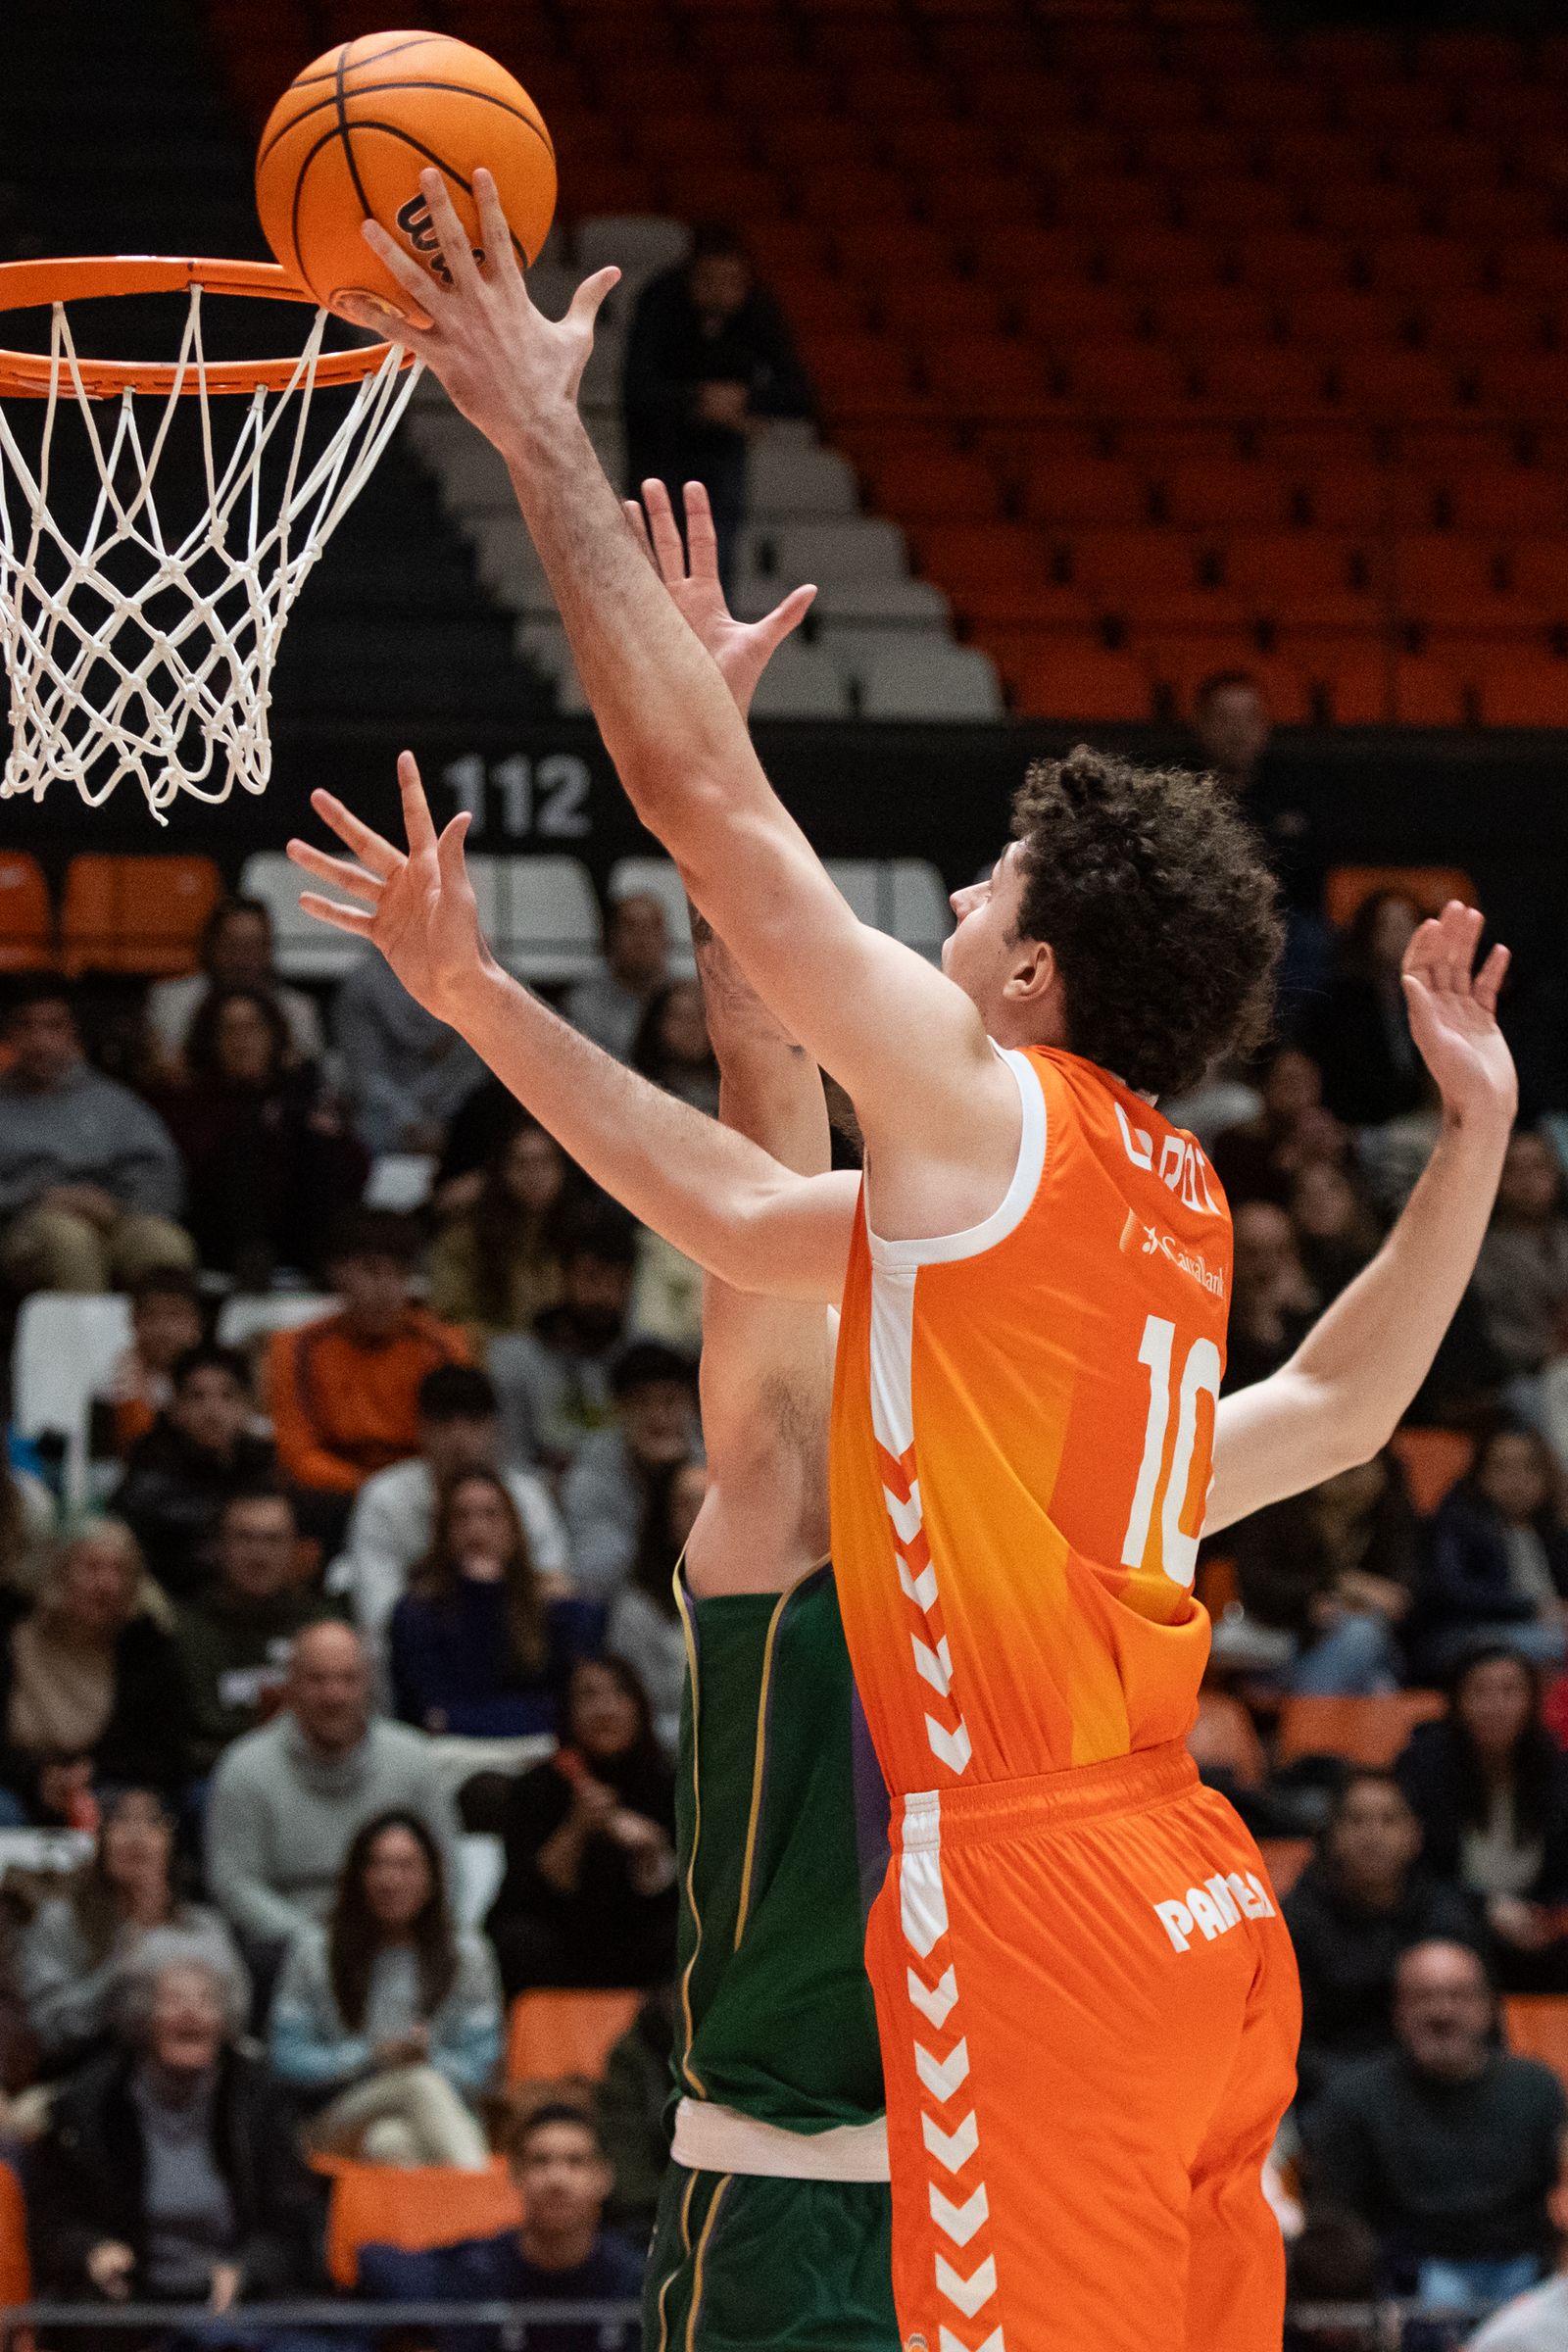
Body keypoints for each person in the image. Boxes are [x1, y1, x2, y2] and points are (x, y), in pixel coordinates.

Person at [296, 190, 1520, 2345]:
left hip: (1031, 1889)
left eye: (986, 883)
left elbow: (699, 804)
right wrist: (1478, 1135)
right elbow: (1320, 1408)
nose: (952, 893)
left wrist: (530, 434)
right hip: (1194, 1894)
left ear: (1032, 969)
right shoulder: (1154, 1201)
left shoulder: (983, 1106)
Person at [25, 1949, 318, 2317]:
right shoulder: (88, 2106)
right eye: (174, 2000)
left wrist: (249, 2269)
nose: (190, 2012)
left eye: (206, 2001)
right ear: (142, 2020)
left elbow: (293, 2221)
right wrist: (90, 2250)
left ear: (225, 2023)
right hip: (129, 2306)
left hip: (237, 2306)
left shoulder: (260, 2101)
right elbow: (52, 2218)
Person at [1302, 1940, 1566, 2312]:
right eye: (1423, 1997)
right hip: (1406, 2279)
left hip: (1523, 2274)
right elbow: (1335, 2215)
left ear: (1489, 2007)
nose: (1442, 2012)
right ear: (1398, 2009)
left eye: (1459, 1996)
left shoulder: (1537, 2089)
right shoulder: (1354, 2099)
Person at [203, 1621, 458, 1977]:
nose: (334, 1695)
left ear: (368, 1684)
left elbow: (446, 1867)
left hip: (398, 1935)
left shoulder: (414, 1760)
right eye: (317, 1679)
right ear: (289, 1685)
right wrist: (316, 1941)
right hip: (289, 1946)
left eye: (348, 1679)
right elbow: (234, 1884)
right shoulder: (245, 1767)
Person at [269, 1810, 501, 2168]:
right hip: (338, 2114)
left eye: (406, 1866)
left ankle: (462, 2214)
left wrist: (431, 2056)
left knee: (391, 2144)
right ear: (357, 1876)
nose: (390, 1880)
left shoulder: (468, 1954)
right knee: (417, 2082)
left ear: (431, 1878)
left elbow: (483, 2070)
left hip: (434, 2115)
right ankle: (485, 2195)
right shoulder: (314, 1950)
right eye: (377, 1865)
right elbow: (286, 2057)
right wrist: (369, 2055)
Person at [357, 2100, 644, 2352]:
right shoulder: (476, 2270)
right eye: (540, 2162)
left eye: (575, 2162)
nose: (557, 2179)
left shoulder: (638, 2280)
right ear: (515, 2175)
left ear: (603, 2178)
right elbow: (376, 2263)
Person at [333, 1363, 569, 1664]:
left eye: (473, 1421)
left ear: (495, 1428)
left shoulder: (527, 1497)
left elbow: (554, 1594)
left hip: (514, 1658)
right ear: (421, 1429)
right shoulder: (385, 1498)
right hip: (418, 1660)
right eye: (444, 1421)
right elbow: (380, 1615)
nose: (459, 1436)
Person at [622, 222, 812, 591]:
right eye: (710, 280)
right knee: (654, 567)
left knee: (716, 563)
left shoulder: (757, 306)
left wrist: (743, 400)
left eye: (732, 282)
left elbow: (799, 394)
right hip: (659, 452)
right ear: (691, 275)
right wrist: (700, 400)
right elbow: (637, 390)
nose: (720, 293)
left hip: (721, 457)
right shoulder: (660, 300)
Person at [1283, 1771, 1481, 2112]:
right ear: (1332, 1835)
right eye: (1357, 1821)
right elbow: (1286, 2041)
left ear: (1414, 1834)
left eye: (1389, 1820)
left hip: (1436, 2089)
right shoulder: (1296, 1919)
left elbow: (1481, 2022)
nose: (1372, 1836)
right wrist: (1366, 2092)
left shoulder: (1447, 1915)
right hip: (1328, 2096)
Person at [19, 1787, 245, 2081]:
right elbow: (50, 2028)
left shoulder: (204, 1926)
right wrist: (124, 1955)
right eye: (121, 1821)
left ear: (171, 1843)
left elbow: (237, 2015)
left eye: (152, 1822)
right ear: (100, 1839)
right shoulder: (59, 1922)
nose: (136, 1835)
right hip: (87, 2078)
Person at [485, 1656, 676, 1998]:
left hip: (642, 1949)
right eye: (588, 1696)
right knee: (519, 1939)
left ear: (639, 1706)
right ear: (568, 1711)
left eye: (619, 1693)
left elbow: (679, 1898)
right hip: (562, 1949)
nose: (605, 1709)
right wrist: (577, 1827)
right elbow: (525, 1895)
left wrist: (652, 1848)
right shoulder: (537, 1788)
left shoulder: (671, 1786)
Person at [154, 985, 366, 1287]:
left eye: (252, 1028)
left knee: (313, 1138)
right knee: (244, 1139)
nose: (242, 1041)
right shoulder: (189, 1101)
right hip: (218, 1232)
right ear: (211, 1040)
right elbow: (188, 1167)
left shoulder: (302, 1095)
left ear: (273, 1035)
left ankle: (324, 1259)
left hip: (298, 1225)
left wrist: (310, 1128)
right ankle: (253, 1256)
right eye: (230, 1030)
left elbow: (357, 1166)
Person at [266, 1210, 467, 1525]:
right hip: (335, 1495)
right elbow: (297, 1454)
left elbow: (456, 1439)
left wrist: (402, 1490)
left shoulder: (444, 1345)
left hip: (422, 1492)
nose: (386, 1289)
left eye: (398, 1274)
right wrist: (372, 1489)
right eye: (371, 1271)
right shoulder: (296, 1347)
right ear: (339, 1274)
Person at [0, 980, 195, 1295]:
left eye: (53, 1026)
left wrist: (117, 1207)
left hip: (114, 1215)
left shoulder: (115, 1102)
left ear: (73, 1035)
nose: (40, 1040)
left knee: (164, 1244)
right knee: (71, 1243)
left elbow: (163, 1175)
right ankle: (87, 1345)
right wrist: (40, 1196)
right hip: (24, 1226)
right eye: (26, 1027)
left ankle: (168, 1343)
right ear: (10, 1036)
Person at [1397, 1646, 1568, 1993]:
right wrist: (1483, 1906)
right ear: (1457, 1700)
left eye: (1509, 1691)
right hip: (1451, 1921)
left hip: (1541, 1923)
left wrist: (1551, 1916)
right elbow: (1412, 1871)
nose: (1495, 1706)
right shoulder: (1423, 1766)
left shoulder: (1556, 1768)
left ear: (1531, 1700)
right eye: (1481, 1691)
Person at [0, 1521, 188, 1824]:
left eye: (119, 1570)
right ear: (60, 1572)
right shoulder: (12, 1633)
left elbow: (164, 1754)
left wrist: (91, 1771)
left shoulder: (148, 1648)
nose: (106, 1584)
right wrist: (38, 1777)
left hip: (109, 1783)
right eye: (91, 1567)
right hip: (17, 1784)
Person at [388, 1469, 598, 1740]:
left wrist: (462, 1718)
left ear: (514, 1530)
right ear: (444, 1534)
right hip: (449, 1758)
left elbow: (568, 1709)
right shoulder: (416, 1613)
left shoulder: (551, 1607)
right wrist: (481, 1593)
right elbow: (430, 1714)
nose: (476, 1530)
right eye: (461, 1517)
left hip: (539, 1754)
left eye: (490, 1515)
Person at [1224, 1450, 1417, 1694]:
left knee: (1366, 1651)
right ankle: (1308, 1722)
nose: (1349, 1483)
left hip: (1361, 1641)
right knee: (1374, 1677)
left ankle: (1305, 1724)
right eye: (1342, 1469)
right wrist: (1324, 1593)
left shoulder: (1388, 1508)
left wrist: (1350, 1603)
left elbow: (1401, 1594)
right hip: (1278, 1637)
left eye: (1360, 1469)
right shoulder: (1278, 1500)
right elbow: (1256, 1582)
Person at [173, 1489, 335, 1780]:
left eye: (273, 1540)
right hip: (215, 1778)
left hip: (316, 1773)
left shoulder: (324, 1629)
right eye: (245, 1538)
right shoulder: (184, 1630)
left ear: (296, 1549)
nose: (259, 1554)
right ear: (220, 1547)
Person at [111, 1344, 275, 1600]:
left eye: (227, 1396)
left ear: (247, 1407)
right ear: (176, 1409)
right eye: (197, 1396)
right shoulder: (144, 1485)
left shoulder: (269, 1471)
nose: (212, 1411)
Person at [487, 1212, 641, 1472]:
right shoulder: (513, 1358)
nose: (605, 1295)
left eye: (619, 1282)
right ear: (564, 1277)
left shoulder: (646, 1360)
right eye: (592, 1277)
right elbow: (508, 1462)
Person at [1417, 1426, 1568, 1676]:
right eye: (1503, 1467)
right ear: (1480, 1473)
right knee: (1554, 1645)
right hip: (1468, 1634)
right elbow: (1453, 1592)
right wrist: (1531, 1608)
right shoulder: (1458, 1519)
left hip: (1544, 1630)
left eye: (1528, 1467)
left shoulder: (1551, 1526)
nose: (1516, 1479)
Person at [559, 1341, 700, 1603]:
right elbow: (594, 1574)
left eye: (670, 1402)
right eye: (643, 1403)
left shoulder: (713, 1464)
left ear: (692, 1406)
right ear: (619, 1410)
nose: (659, 1419)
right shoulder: (593, 1473)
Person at [427, 1113, 581, 1342]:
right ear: (502, 1170)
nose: (534, 1176)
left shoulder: (580, 1236)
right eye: (522, 1163)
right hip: (486, 1357)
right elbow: (449, 1318)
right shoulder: (465, 1240)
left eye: (545, 1162)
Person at [143, 894, 324, 1078]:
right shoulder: (170, 1001)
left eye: (253, 946)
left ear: (268, 949)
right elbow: (166, 1071)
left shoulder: (298, 1010)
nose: (242, 958)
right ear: (212, 946)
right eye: (233, 945)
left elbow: (307, 1076)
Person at [333, 943, 484, 1157]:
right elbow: (365, 1076)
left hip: (458, 1123)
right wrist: (409, 1123)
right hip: (383, 1125)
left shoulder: (475, 980)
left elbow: (474, 1079)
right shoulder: (362, 985)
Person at [606, 1459, 707, 1755]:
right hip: (671, 1757)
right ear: (663, 1518)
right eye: (684, 1503)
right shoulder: (637, 1608)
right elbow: (636, 1715)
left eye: (708, 1500)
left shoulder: (754, 1592)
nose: (699, 1514)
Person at [1302, 889, 1428, 1129]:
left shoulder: (1420, 997)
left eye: (1409, 925)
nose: (1403, 936)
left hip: (1413, 1121)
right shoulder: (1338, 1001)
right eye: (1392, 926)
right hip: (1355, 1125)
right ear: (1368, 933)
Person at [1471, 1128, 1568, 1388]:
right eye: (1515, 1170)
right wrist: (1545, 1351)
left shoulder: (1563, 1235)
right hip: (1529, 1379)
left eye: (1539, 1167)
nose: (1529, 1181)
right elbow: (1491, 1330)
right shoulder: (1482, 1254)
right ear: (1497, 1180)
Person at [96, 1270, 204, 1457]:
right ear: (133, 1322)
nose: (163, 1329)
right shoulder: (110, 1387)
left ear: (197, 1324)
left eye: (175, 1315)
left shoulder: (220, 1383)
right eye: (150, 1315)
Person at [563, 890, 671, 1064]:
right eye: (630, 927)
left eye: (651, 928)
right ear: (611, 937)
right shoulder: (585, 1003)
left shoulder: (686, 1000)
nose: (641, 939)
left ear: (667, 939)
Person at [1223, 1199, 1321, 1393]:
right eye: (1251, 1254)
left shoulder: (1319, 1333)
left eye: (1280, 1252)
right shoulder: (1216, 1352)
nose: (1267, 1268)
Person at [628, 978, 719, 1115]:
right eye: (682, 1018)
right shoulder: (634, 1089)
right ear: (657, 1024)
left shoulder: (734, 1090)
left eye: (700, 1017)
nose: (692, 1028)